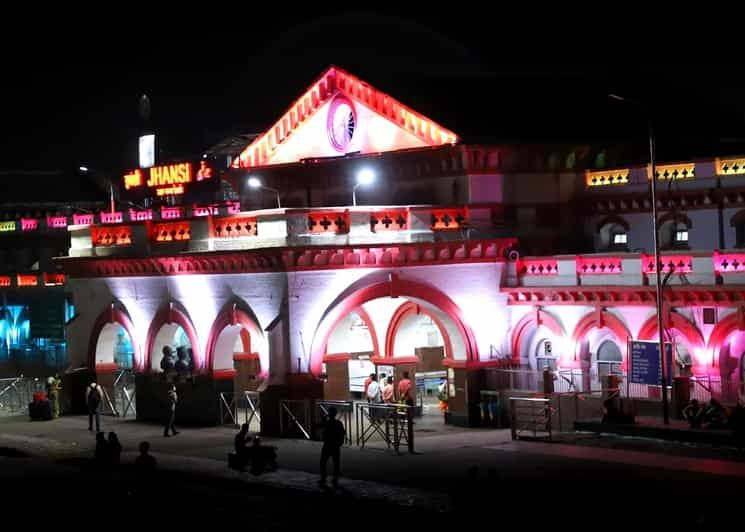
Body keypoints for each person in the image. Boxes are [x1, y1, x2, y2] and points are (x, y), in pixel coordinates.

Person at [319, 406, 346, 489]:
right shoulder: (339, 423)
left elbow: (320, 426)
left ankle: (324, 478)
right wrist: (340, 443)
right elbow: (342, 434)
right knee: (336, 463)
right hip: (335, 446)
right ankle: (335, 479)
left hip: (327, 445)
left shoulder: (327, 423)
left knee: (323, 462)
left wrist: (324, 418)